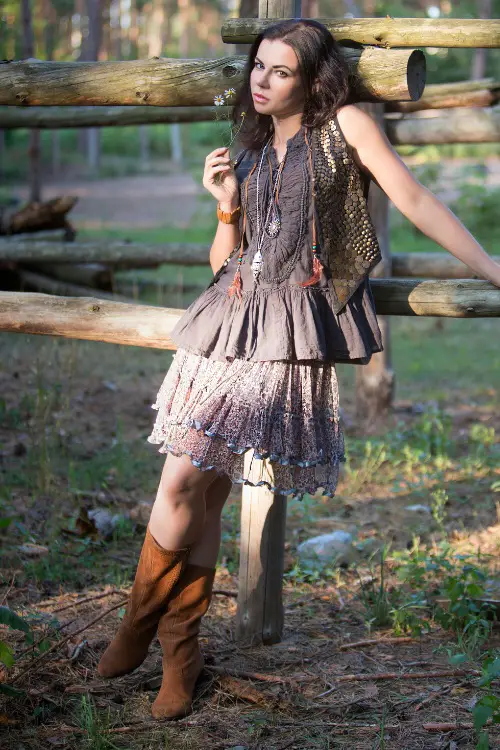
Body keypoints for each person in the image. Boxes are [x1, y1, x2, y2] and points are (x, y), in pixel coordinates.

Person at [97, 19, 500, 720]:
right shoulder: (250, 143)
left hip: (287, 335)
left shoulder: (343, 125)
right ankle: (156, 631)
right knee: (186, 479)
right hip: (228, 324)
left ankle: (166, 641)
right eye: (259, 66)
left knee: (205, 492)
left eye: (280, 72)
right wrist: (224, 202)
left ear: (312, 82)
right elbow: (223, 263)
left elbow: (414, 198)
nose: (261, 80)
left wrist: (493, 268)